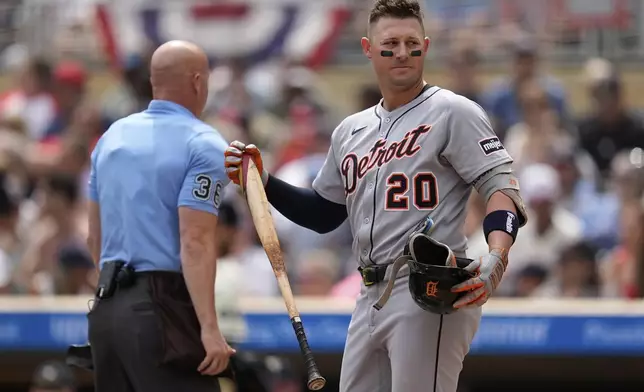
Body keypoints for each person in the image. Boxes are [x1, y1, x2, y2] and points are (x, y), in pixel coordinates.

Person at [224, 1, 528, 391]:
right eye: (390, 44)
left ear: (426, 46)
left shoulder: (453, 111)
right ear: (369, 49)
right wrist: (263, 180)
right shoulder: (351, 130)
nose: (402, 52)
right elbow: (323, 214)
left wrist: (498, 254)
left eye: (411, 43)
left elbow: (501, 186)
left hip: (426, 286)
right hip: (368, 293)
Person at [86, 40, 234, 392]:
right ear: (198, 82)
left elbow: (94, 237)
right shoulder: (204, 142)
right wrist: (209, 328)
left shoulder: (111, 136)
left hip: (107, 308)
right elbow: (195, 240)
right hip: (162, 306)